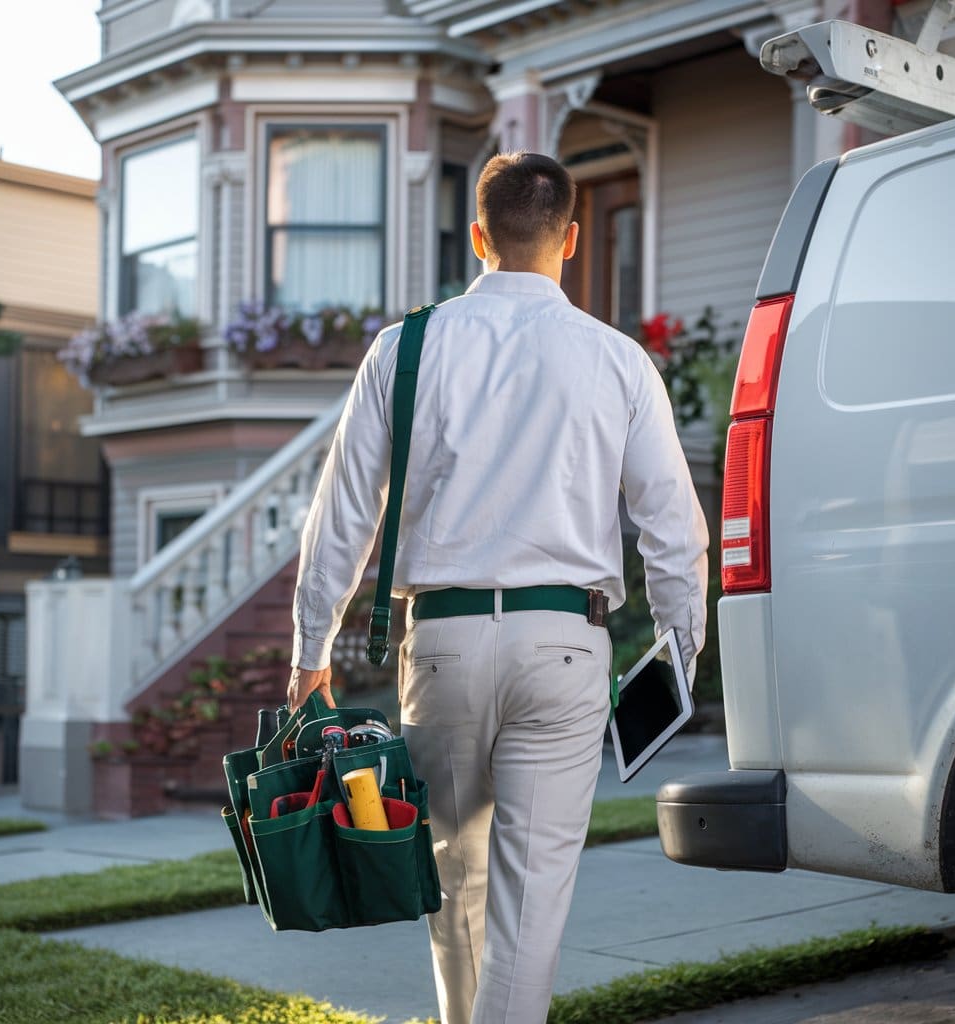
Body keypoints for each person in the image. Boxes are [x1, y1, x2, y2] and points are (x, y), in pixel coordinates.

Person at [288, 151, 708, 1024]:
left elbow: (341, 515)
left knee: (452, 874)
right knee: (532, 897)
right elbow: (673, 525)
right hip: (563, 645)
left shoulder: (402, 348)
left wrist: (310, 651)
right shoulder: (619, 360)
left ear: (478, 235)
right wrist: (681, 653)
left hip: (438, 645)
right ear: (573, 240)